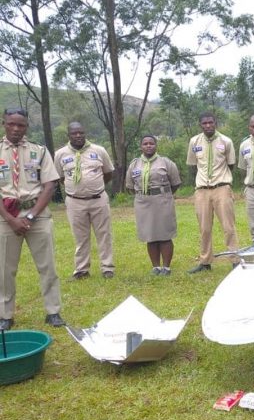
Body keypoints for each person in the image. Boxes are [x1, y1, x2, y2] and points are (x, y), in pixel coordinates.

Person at [0, 108, 64, 330]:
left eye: (21, 125)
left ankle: (53, 311)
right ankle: (5, 314)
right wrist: (10, 219)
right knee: (4, 269)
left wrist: (30, 215)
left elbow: (49, 186)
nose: (16, 129)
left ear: (27, 126)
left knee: (47, 266)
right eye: (11, 124)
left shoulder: (40, 151)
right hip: (6, 216)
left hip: (37, 215)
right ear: (4, 123)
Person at [54, 122, 115, 279]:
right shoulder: (60, 154)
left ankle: (107, 268)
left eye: (81, 132)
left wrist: (93, 186)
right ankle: (81, 270)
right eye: (74, 133)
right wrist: (78, 189)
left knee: (104, 234)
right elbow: (61, 177)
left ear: (85, 133)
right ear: (69, 135)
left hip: (98, 199)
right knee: (80, 237)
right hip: (75, 201)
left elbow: (108, 173)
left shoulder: (99, 151)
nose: (78, 135)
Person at [186, 112, 239, 273]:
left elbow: (230, 165)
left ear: (216, 123)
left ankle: (235, 260)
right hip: (202, 190)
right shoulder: (194, 141)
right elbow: (193, 165)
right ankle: (205, 261)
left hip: (222, 188)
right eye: (204, 123)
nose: (208, 126)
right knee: (204, 228)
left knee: (228, 227)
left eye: (210, 122)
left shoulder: (226, 141)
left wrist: (221, 179)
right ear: (200, 125)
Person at [125, 135, 182, 275]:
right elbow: (130, 186)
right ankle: (156, 267)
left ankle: (166, 267)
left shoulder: (166, 162)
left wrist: (162, 193)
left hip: (162, 201)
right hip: (143, 203)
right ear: (141, 146)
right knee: (149, 235)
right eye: (145, 143)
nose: (148, 146)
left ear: (156, 146)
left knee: (164, 234)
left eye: (151, 143)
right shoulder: (134, 164)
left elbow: (175, 183)